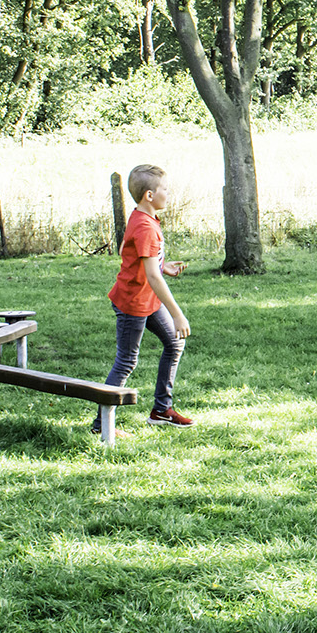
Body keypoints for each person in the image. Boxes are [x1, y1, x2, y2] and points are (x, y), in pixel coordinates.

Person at [99, 163, 193, 434]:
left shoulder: (140, 217)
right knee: (126, 361)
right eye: (164, 189)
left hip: (146, 300)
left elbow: (126, 251)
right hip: (133, 303)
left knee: (174, 344)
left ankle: (162, 410)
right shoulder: (146, 227)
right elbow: (151, 276)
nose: (168, 193)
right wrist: (177, 313)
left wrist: (162, 264)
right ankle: (100, 426)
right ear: (149, 195)